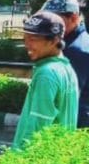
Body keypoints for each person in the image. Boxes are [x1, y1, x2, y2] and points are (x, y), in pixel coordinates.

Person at [12, 11, 78, 150]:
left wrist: (18, 163)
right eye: (25, 38)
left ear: (54, 41)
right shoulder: (66, 68)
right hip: (58, 156)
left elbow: (37, 127)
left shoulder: (46, 74)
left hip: (38, 163)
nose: (27, 44)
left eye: (34, 39)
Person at [39, 0, 89, 128]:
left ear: (73, 18)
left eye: (55, 19)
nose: (50, 23)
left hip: (76, 127)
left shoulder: (76, 50)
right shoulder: (69, 42)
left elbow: (67, 100)